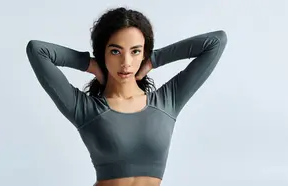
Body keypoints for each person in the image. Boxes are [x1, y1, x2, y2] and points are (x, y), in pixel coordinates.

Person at [25, 7, 227, 186]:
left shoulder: (167, 102)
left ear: (143, 53)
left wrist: (154, 59)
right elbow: (37, 50)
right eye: (115, 51)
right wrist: (91, 65)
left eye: (135, 51)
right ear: (102, 52)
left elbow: (216, 42)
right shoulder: (85, 109)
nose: (126, 62)